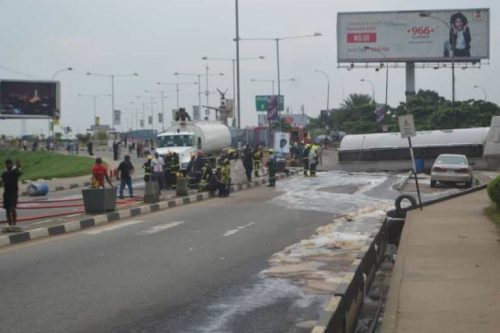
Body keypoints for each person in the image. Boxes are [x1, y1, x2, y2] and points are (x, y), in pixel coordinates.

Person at [1, 159, 22, 228]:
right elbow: (1, 182)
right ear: (6, 165)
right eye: (7, 164)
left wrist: (18, 166)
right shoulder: (4, 173)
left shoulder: (14, 172)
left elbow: (19, 172)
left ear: (12, 165)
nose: (8, 165)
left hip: (14, 193)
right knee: (7, 210)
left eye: (10, 164)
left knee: (12, 208)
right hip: (6, 194)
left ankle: (14, 224)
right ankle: (10, 225)